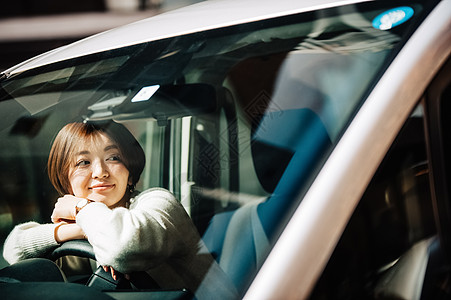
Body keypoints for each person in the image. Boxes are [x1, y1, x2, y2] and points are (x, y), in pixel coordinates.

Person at [2, 121, 237, 299]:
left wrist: (80, 207)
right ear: (66, 181)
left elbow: (123, 246)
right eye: (83, 162)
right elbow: (14, 250)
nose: (100, 172)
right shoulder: (91, 223)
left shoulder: (158, 202)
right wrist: (74, 232)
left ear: (130, 171)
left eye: (113, 158)